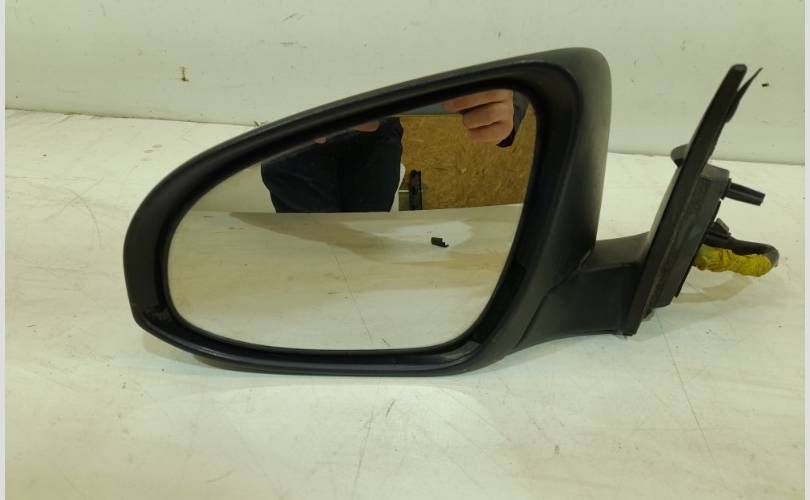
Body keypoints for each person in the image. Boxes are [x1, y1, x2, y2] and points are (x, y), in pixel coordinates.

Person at [261, 89, 528, 213]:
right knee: (309, 256)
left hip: (378, 130)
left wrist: (512, 93)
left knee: (366, 246)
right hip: (294, 129)